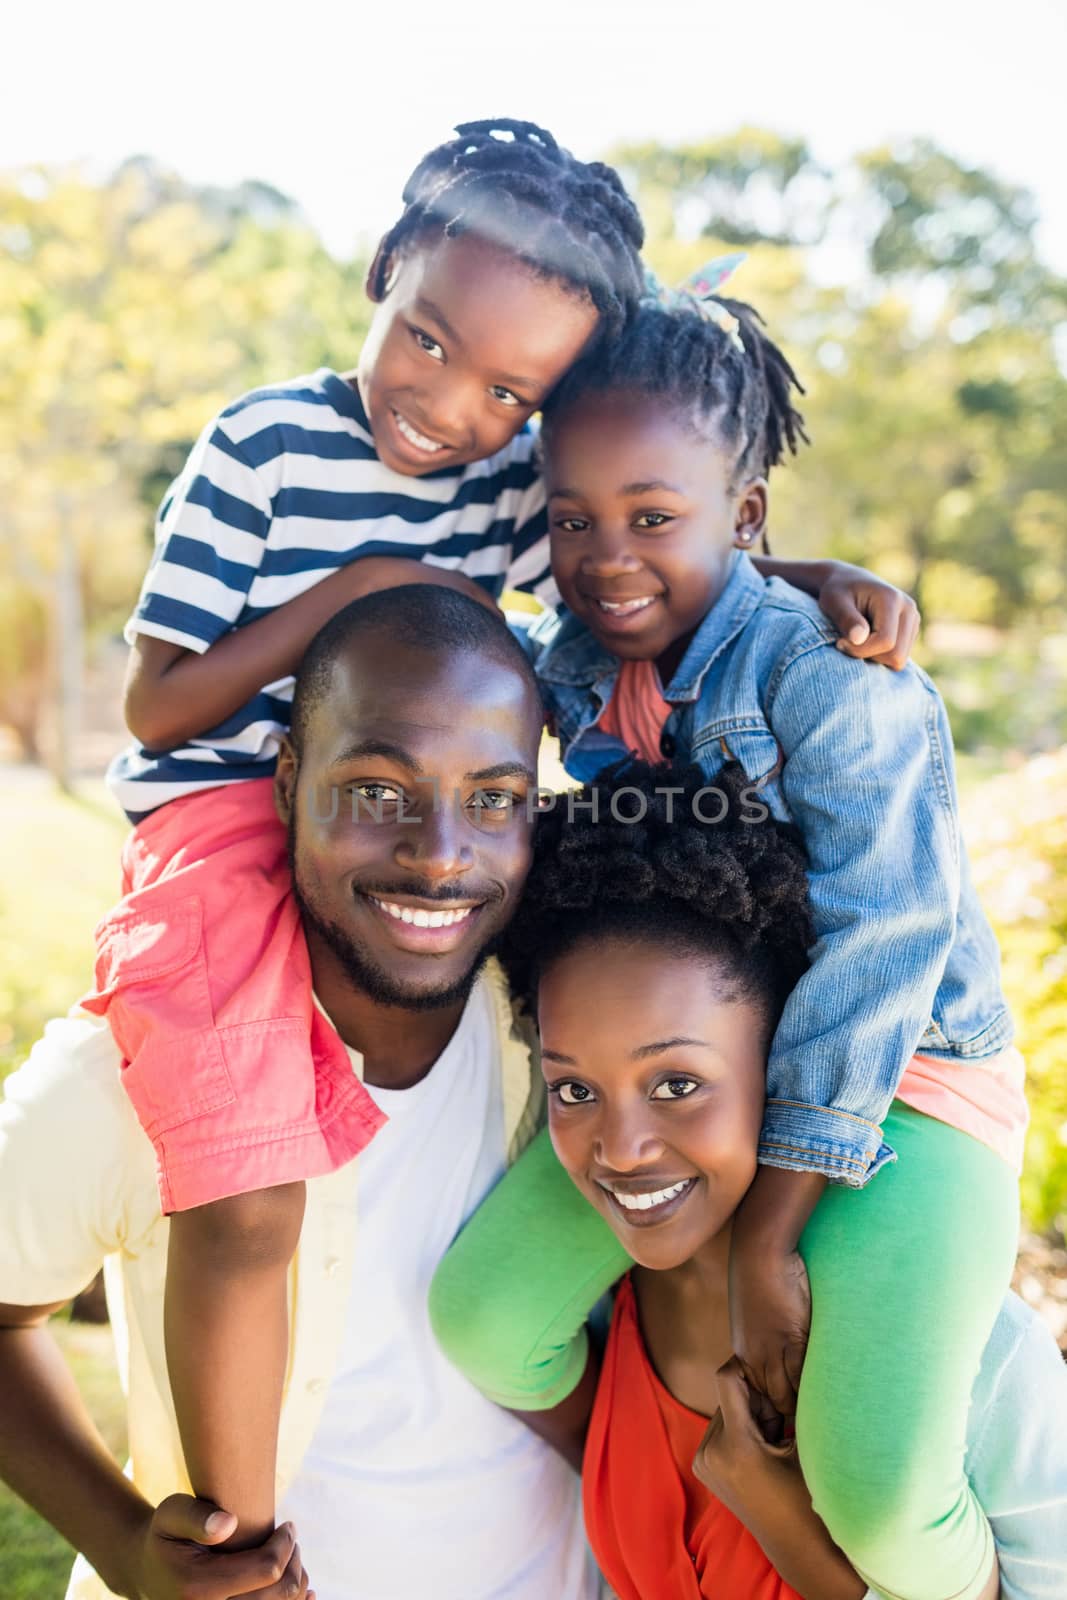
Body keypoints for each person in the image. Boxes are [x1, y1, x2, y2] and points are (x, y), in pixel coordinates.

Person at [83, 121, 918, 1543]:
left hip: (417, 838)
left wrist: (802, 571)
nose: (447, 405)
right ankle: (227, 1540)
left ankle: (653, 1504)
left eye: (504, 391)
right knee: (248, 1195)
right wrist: (354, 592)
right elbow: (158, 706)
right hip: (228, 822)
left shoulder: (505, 481)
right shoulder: (262, 446)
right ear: (379, 276)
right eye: (425, 339)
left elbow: (640, 551)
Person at [430, 276, 1025, 1600]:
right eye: (573, 520)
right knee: (485, 1318)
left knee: (876, 1500)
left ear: (740, 513)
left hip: (901, 1087)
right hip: (686, 1071)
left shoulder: (830, 679)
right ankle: (676, 1502)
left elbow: (886, 947)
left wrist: (767, 1234)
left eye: (653, 518)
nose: (606, 556)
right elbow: (461, 663)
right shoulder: (577, 659)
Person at [0, 586, 604, 1600]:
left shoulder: (562, 1030)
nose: (439, 852)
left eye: (492, 798)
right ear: (289, 782)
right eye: (376, 789)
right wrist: (119, 1543)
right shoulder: (146, 1069)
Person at [495, 758, 1067, 1600]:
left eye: (676, 1086)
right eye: (575, 1090)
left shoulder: (981, 1365)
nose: (618, 1148)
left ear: (786, 1068)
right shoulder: (596, 1321)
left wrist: (786, 1524)